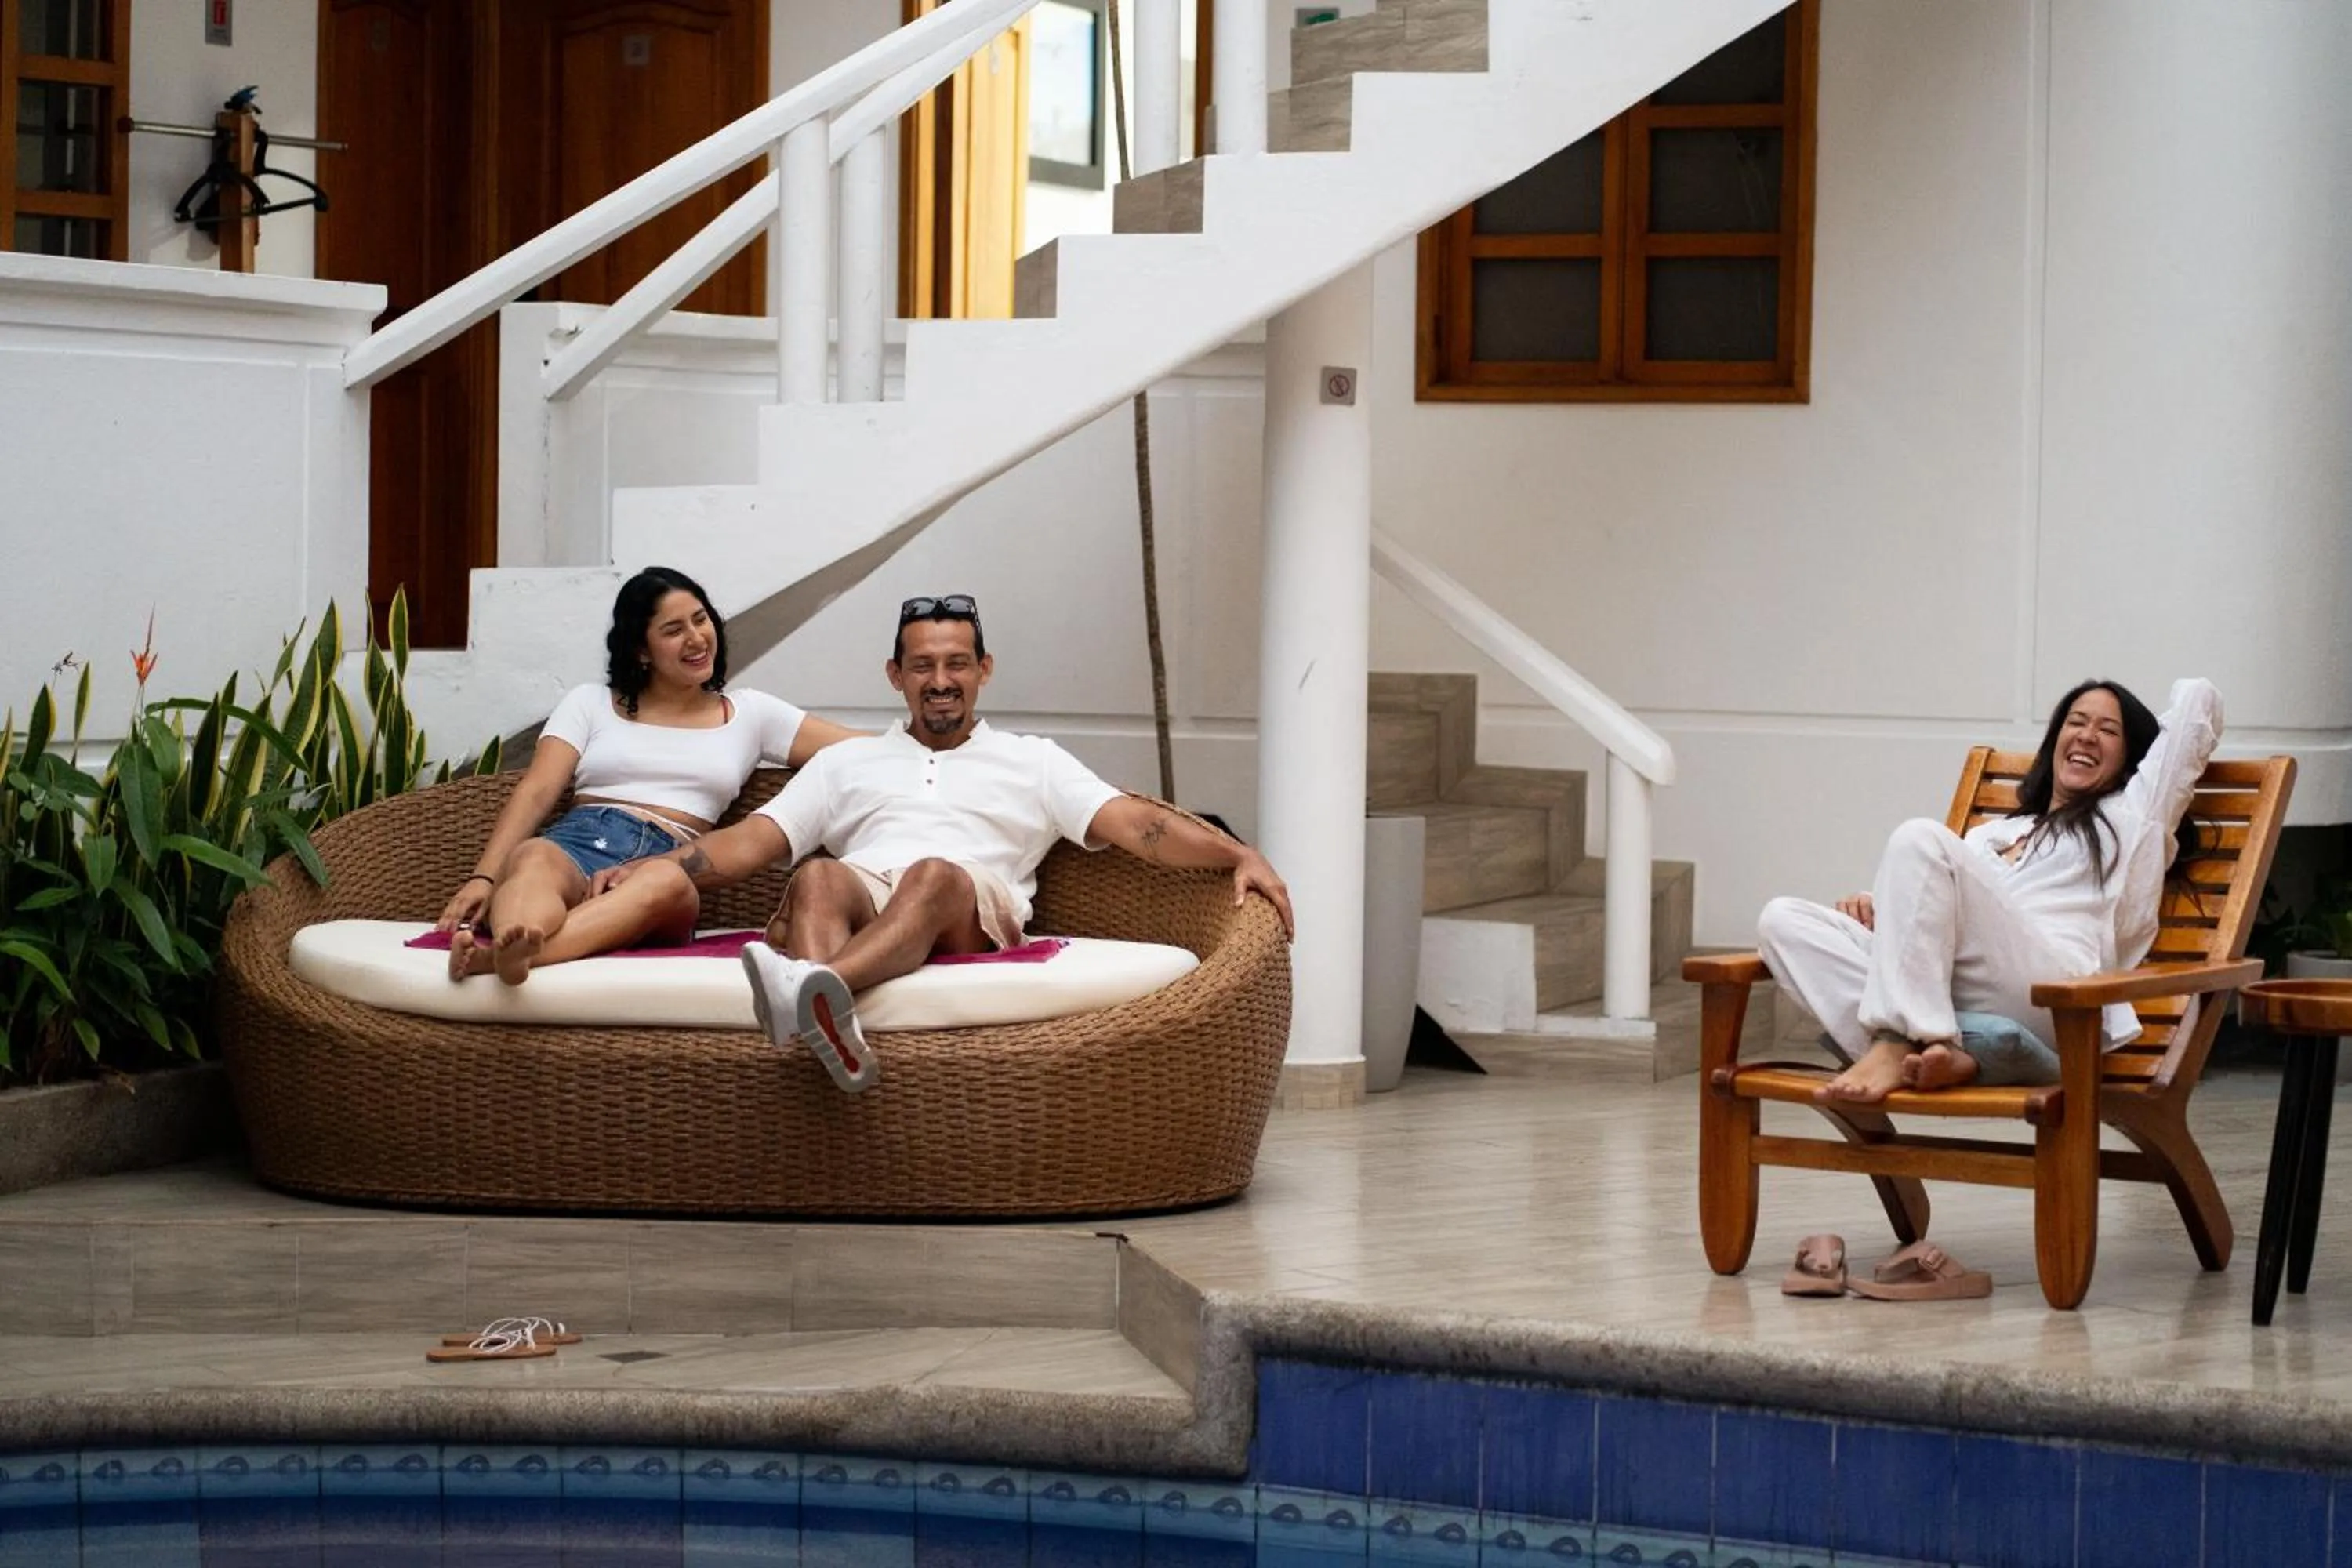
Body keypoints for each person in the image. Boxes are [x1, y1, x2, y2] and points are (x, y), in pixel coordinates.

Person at [595, 593, 1294, 1091]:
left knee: (932, 873)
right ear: (895, 676)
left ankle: (817, 989)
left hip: (967, 905)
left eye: (957, 664)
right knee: (818, 879)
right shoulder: (847, 761)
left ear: (983, 670)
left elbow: (1138, 824)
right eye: (923, 666)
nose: (941, 681)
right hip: (869, 897)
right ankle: (827, 1030)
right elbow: (750, 842)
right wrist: (650, 867)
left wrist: (1239, 853)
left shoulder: (1034, 760)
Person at [1755, 677, 2222, 1104]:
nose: (2085, 735)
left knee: (1919, 837)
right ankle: (1963, 1052)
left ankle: (1897, 1043)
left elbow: (2198, 702)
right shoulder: (1993, 835)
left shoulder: (2133, 819)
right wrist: (1884, 909)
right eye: (2075, 722)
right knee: (1783, 920)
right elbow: (1948, 906)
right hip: (1959, 992)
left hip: (2055, 993)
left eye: (2108, 731)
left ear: (2131, 760)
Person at [434, 566, 858, 984]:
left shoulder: (752, 714)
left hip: (667, 855)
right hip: (578, 841)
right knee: (533, 857)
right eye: (673, 630)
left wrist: (922, 732)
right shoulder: (590, 703)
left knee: (666, 882)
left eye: (700, 619)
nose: (696, 638)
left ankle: (502, 962)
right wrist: (484, 878)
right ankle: (519, 940)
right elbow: (538, 790)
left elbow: (861, 749)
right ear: (641, 650)